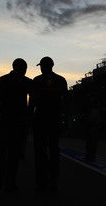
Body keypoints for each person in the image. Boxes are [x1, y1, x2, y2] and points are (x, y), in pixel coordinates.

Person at [0, 58, 32, 198]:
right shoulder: (27, 82)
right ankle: (10, 184)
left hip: (3, 122)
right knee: (14, 156)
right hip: (18, 124)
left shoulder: (1, 80)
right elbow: (35, 97)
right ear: (24, 68)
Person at [29, 56, 68, 193]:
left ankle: (41, 181)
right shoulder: (61, 80)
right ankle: (54, 181)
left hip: (40, 119)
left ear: (42, 66)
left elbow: (32, 101)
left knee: (40, 151)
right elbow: (66, 102)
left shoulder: (37, 80)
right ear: (52, 65)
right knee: (53, 150)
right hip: (55, 119)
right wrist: (64, 121)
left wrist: (29, 117)